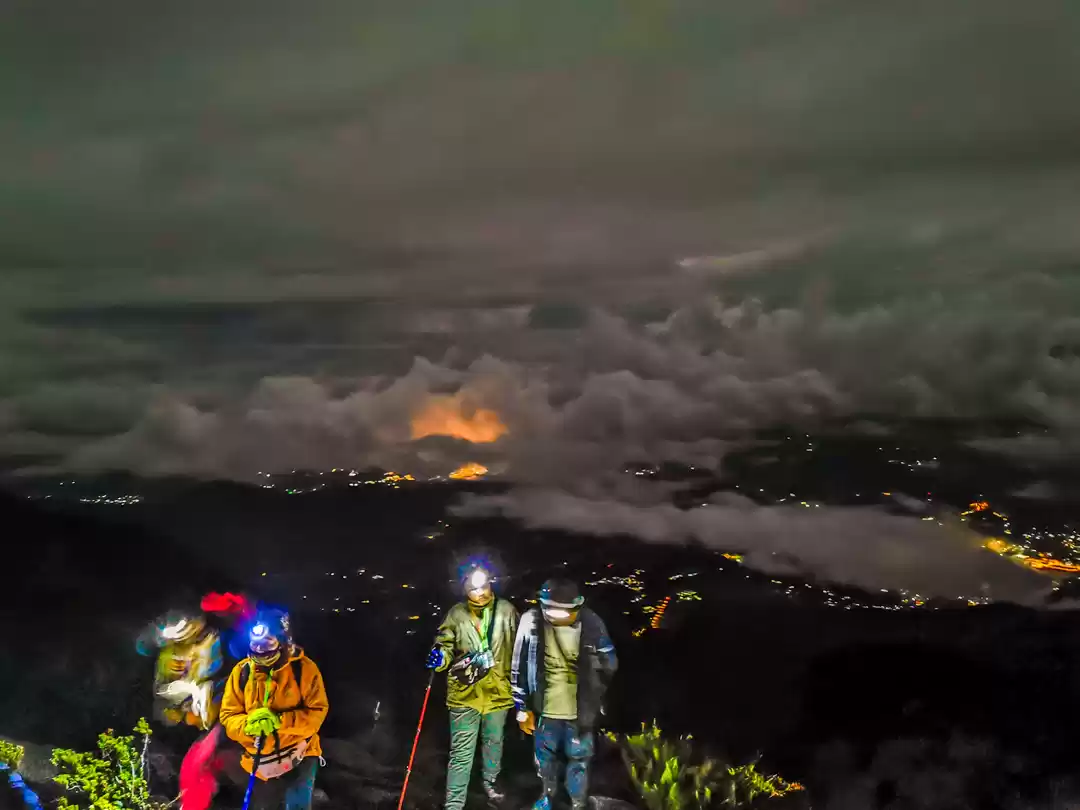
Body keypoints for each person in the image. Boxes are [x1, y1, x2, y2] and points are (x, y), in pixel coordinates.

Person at [511, 579, 618, 810]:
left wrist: (596, 691)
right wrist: (521, 707)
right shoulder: (530, 622)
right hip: (544, 710)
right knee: (545, 760)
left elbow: (609, 662)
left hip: (581, 712)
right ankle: (549, 798)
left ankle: (576, 803)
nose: (558, 616)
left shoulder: (591, 623)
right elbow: (518, 666)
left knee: (578, 761)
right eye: (552, 611)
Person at [428, 563, 519, 809]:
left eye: (484, 587)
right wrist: (440, 657)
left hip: (498, 692)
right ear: (465, 590)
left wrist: (521, 690)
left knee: (494, 744)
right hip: (464, 694)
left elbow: (518, 650)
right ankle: (454, 804)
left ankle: (490, 784)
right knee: (461, 754)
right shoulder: (456, 615)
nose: (480, 593)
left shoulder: (507, 611)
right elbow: (445, 644)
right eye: (474, 589)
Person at [219, 609, 329, 810]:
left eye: (267, 642)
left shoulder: (303, 669)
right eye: (255, 642)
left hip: (300, 754)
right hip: (259, 760)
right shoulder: (242, 672)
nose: (259, 649)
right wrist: (247, 725)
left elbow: (317, 713)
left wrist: (279, 721)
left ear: (283, 640)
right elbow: (228, 715)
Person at [136, 610, 223, 730]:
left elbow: (214, 666)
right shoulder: (167, 652)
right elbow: (163, 690)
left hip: (203, 694)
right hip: (176, 700)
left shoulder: (208, 642)